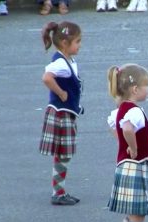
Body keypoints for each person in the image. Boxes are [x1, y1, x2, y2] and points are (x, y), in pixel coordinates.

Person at [106, 64, 148, 222]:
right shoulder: (134, 111)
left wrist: (124, 146)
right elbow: (126, 129)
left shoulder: (119, 111)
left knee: (134, 213)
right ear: (135, 89)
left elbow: (114, 127)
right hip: (135, 165)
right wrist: (133, 149)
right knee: (138, 213)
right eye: (146, 86)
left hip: (126, 165)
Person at [39, 21, 84, 206]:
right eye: (77, 41)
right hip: (61, 113)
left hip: (67, 111)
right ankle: (58, 193)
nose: (79, 45)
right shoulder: (61, 63)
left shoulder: (68, 61)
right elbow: (47, 78)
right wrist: (61, 93)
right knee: (64, 153)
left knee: (64, 153)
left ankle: (59, 190)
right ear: (65, 43)